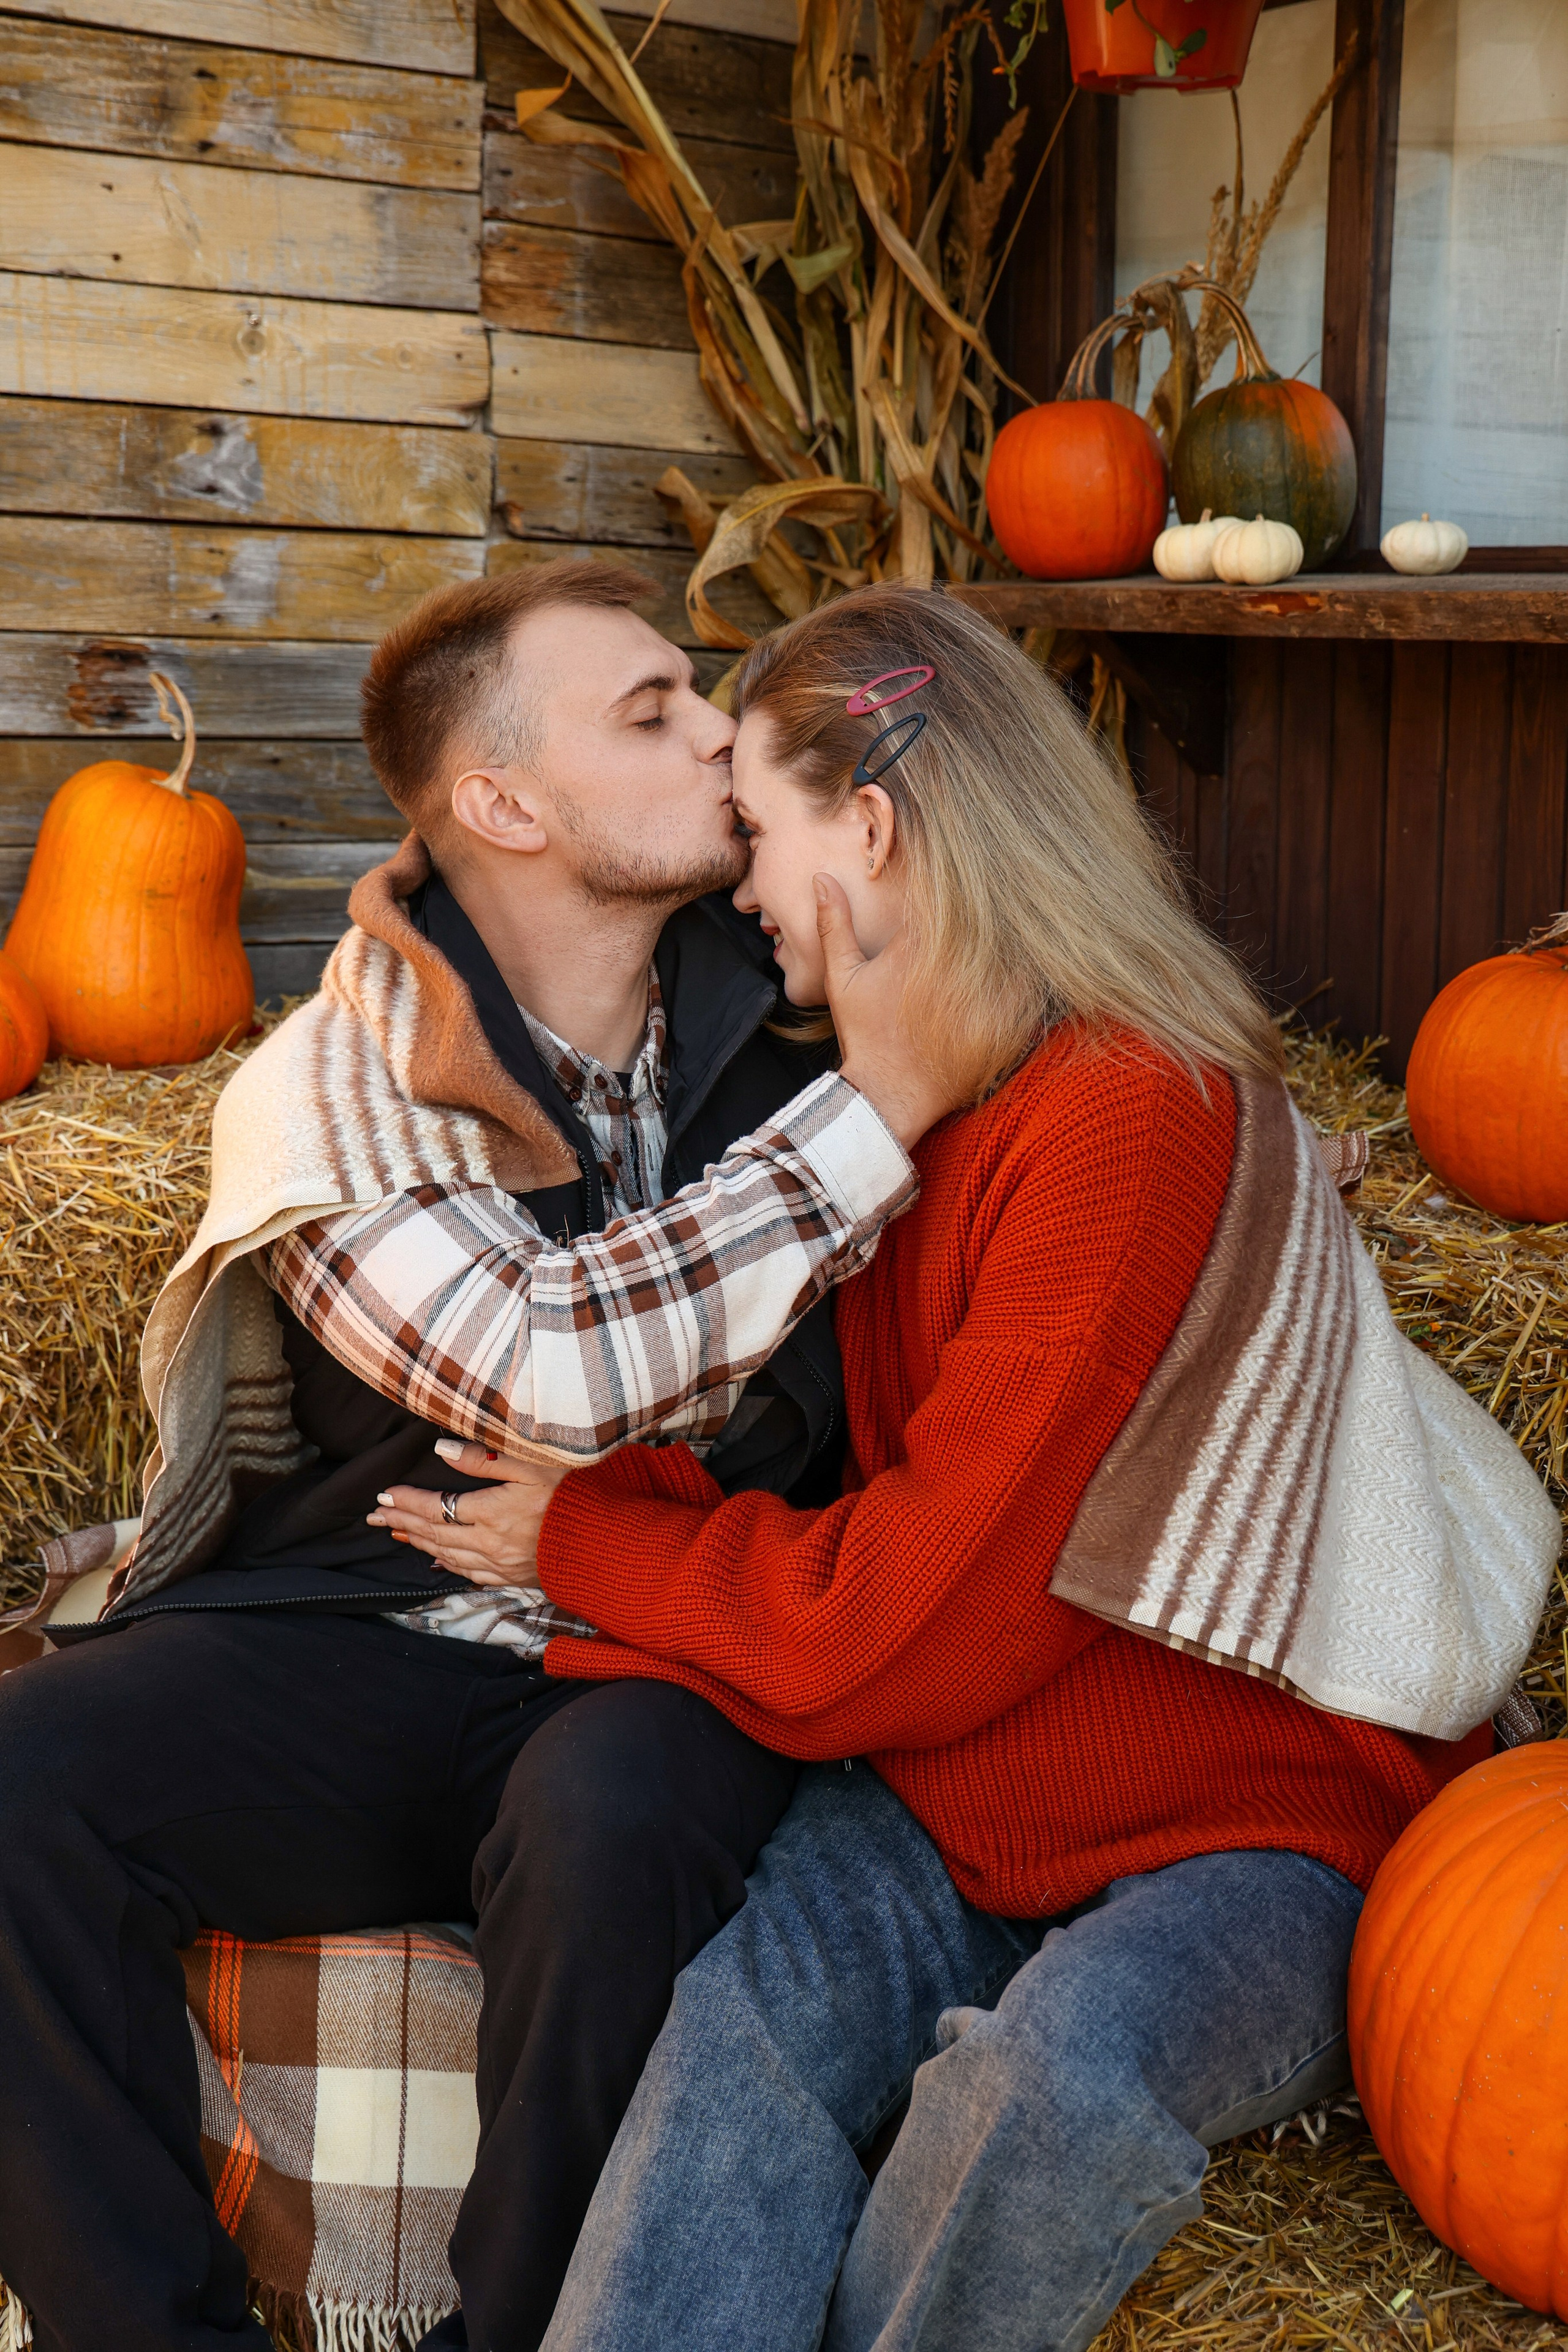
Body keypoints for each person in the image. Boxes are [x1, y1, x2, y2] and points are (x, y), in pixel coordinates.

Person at [371, 583, 1559, 2352]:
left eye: (760, 834)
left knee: (1050, 2085)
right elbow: (910, 1529)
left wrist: (592, 1542)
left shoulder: (1125, 1110)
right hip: (972, 1788)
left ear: (870, 832)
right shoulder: (905, 1105)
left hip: (1251, 1819)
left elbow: (914, 1620)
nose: (743, 886)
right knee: (736, 2032)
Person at [0, 560, 956, 2352]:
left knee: (615, 1821)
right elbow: (543, 1372)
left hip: (655, 1637)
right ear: (506, 805)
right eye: (655, 711)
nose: (724, 735)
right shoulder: (332, 1083)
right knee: (17, 1776)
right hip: (371, 1624)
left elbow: (1058, 1000)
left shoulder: (797, 987)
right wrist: (878, 1117)